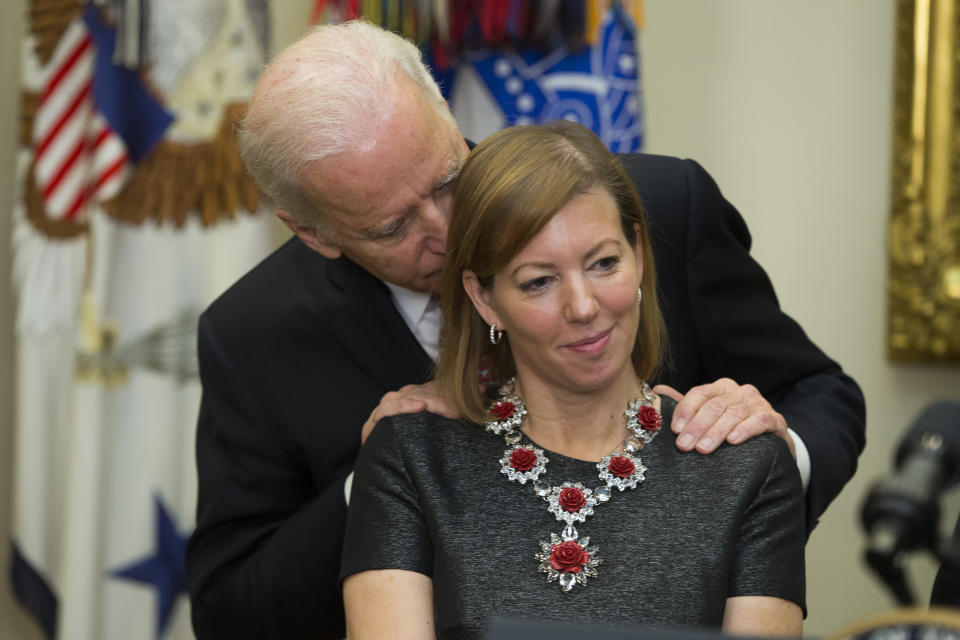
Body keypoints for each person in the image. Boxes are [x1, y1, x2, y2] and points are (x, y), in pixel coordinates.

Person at [185, 20, 864, 639]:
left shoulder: (660, 210)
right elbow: (231, 609)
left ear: (446, 111)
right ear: (314, 232)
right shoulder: (254, 335)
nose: (448, 232)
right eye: (393, 227)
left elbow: (821, 393)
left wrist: (759, 458)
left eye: (449, 180)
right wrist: (371, 488)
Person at [341, 120, 806, 638]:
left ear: (640, 255)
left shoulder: (746, 465)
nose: (583, 307)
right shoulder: (411, 458)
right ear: (484, 298)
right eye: (539, 281)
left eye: (604, 263)